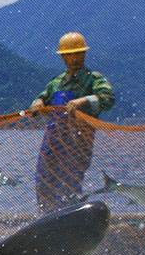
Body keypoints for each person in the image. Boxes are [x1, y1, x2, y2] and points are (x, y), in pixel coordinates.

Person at [27, 31, 115, 213]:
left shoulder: (93, 79)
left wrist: (84, 101)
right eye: (69, 55)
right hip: (53, 139)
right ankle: (46, 216)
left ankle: (70, 216)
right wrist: (38, 103)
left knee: (70, 181)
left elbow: (108, 98)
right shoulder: (56, 82)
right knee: (44, 178)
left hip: (78, 140)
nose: (74, 58)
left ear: (84, 54)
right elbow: (42, 97)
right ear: (63, 57)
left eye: (78, 54)